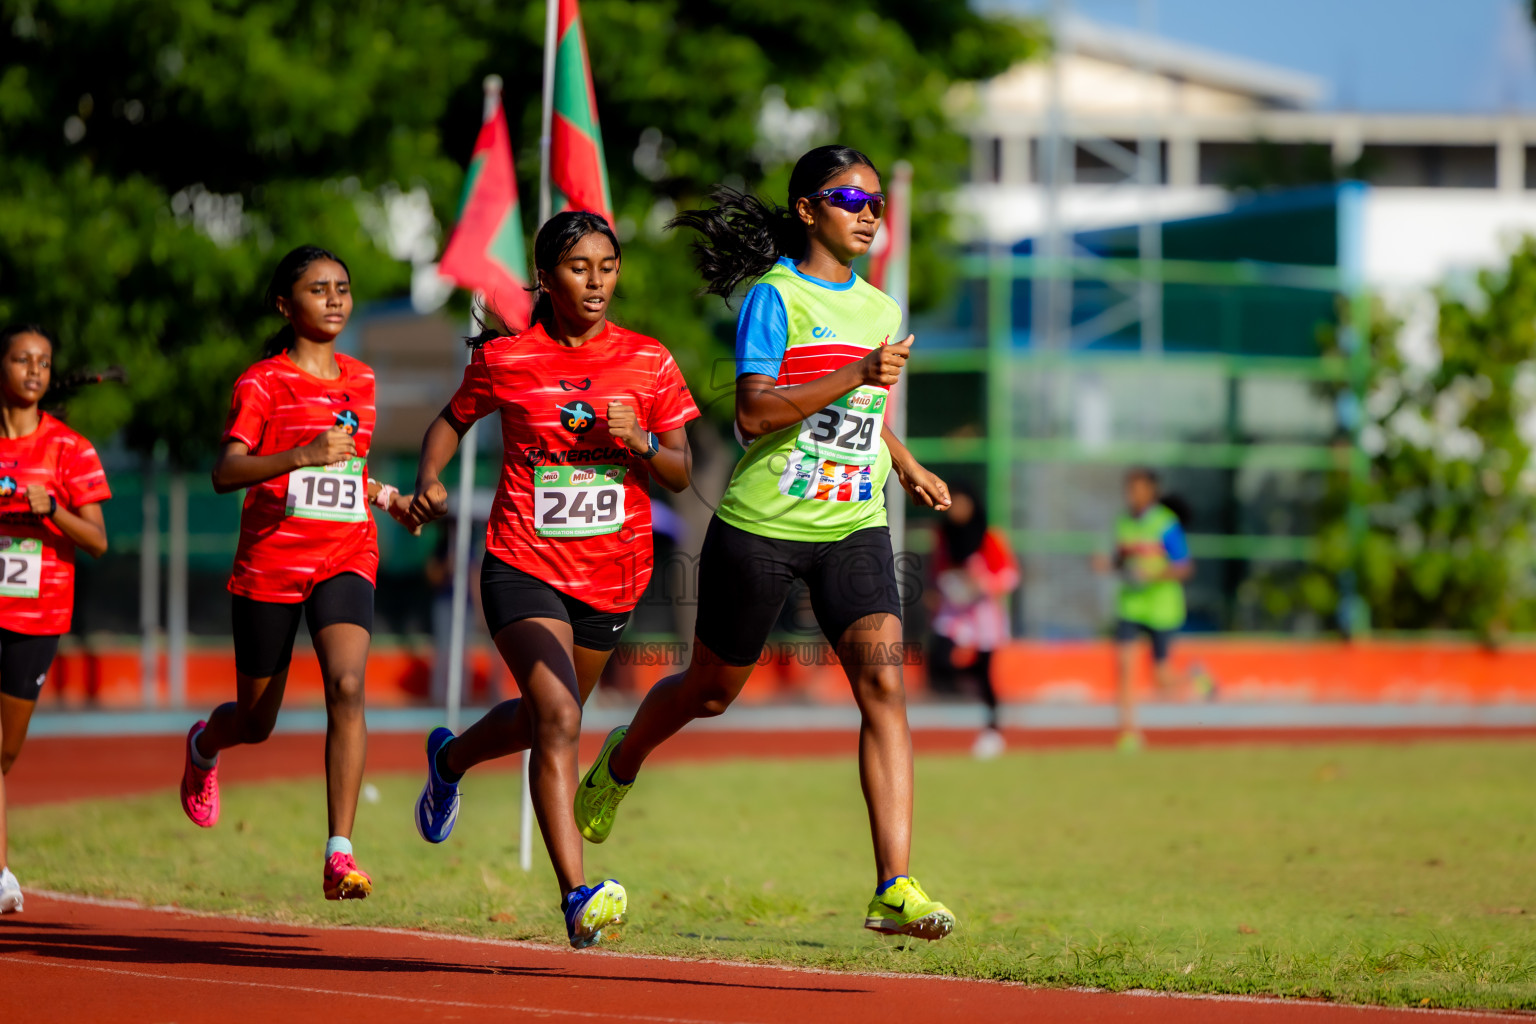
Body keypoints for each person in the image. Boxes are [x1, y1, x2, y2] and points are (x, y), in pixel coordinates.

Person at [573, 144, 959, 942]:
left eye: (876, 203)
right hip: (761, 527)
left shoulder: (881, 309)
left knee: (884, 687)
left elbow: (863, 414)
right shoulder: (773, 298)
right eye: (850, 200)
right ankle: (622, 758)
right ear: (808, 209)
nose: (868, 214)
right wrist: (857, 373)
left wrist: (904, 460)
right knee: (711, 692)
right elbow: (753, 414)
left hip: (852, 525)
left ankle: (894, 885)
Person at [409, 211, 698, 949]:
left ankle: (449, 759)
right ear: (544, 278)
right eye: (578, 267)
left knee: (550, 717)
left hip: (613, 576)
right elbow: (450, 421)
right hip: (522, 564)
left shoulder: (650, 360)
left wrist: (641, 443)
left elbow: (679, 471)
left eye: (608, 266)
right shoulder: (508, 359)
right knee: (561, 718)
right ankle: (577, 895)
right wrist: (430, 477)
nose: (596, 281)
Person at [178, 245, 417, 900]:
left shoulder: (362, 381)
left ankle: (340, 851)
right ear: (285, 306)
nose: (335, 299)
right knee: (257, 722)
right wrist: (301, 454)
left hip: (345, 552)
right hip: (272, 563)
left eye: (342, 287)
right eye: (319, 289)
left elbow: (349, 472)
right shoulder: (262, 383)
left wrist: (388, 498)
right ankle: (204, 745)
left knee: (347, 683)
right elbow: (226, 472)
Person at [0, 324, 114, 914]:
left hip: (38, 615)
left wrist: (53, 511)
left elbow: (96, 540)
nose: (34, 371)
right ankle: (0, 873)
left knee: (4, 752)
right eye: (22, 359)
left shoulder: (69, 449)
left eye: (43, 362)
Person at [1092, 467, 1210, 752]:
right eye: (1129, 489)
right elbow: (1122, 560)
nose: (1132, 495)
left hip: (1161, 608)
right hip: (1130, 606)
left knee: (1162, 678)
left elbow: (1185, 567)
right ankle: (1128, 733)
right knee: (1124, 669)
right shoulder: (1123, 522)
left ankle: (1197, 677)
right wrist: (1108, 564)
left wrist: (1153, 575)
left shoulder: (1165, 524)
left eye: (1138, 489)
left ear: (1151, 491)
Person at [927, 479, 1018, 760]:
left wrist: (982, 583)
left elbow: (1009, 575)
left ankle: (993, 729)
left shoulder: (989, 537)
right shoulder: (944, 535)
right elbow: (939, 569)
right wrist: (939, 589)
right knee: (938, 660)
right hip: (954, 612)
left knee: (986, 674)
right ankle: (970, 681)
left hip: (984, 614)